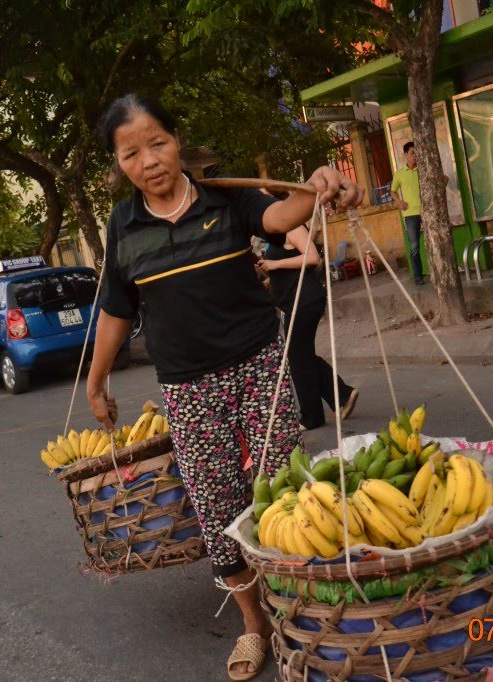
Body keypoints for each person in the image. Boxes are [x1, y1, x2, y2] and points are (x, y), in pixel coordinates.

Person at [86, 94, 363, 681]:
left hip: (258, 363)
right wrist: (96, 378)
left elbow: (280, 219)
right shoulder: (124, 226)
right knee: (219, 508)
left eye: (158, 143)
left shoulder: (227, 196)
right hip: (187, 386)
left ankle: (300, 612)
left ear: (177, 141)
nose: (150, 161)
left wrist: (316, 186)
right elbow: (115, 309)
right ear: (119, 163)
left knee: (287, 492)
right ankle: (254, 626)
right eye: (131, 152)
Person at [256, 226, 359, 431]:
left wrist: (275, 264)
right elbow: (285, 273)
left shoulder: (291, 226)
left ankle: (313, 415)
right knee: (301, 356)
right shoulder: (274, 235)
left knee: (297, 357)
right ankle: (340, 395)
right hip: (292, 301)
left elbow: (312, 257)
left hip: (304, 300)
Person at [390, 141, 425, 285]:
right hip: (410, 214)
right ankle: (418, 276)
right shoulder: (399, 174)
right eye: (412, 153)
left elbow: (444, 178)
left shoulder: (424, 170)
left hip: (427, 212)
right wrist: (399, 202)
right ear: (405, 155)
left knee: (434, 243)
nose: (415, 155)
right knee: (414, 247)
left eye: (417, 152)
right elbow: (392, 191)